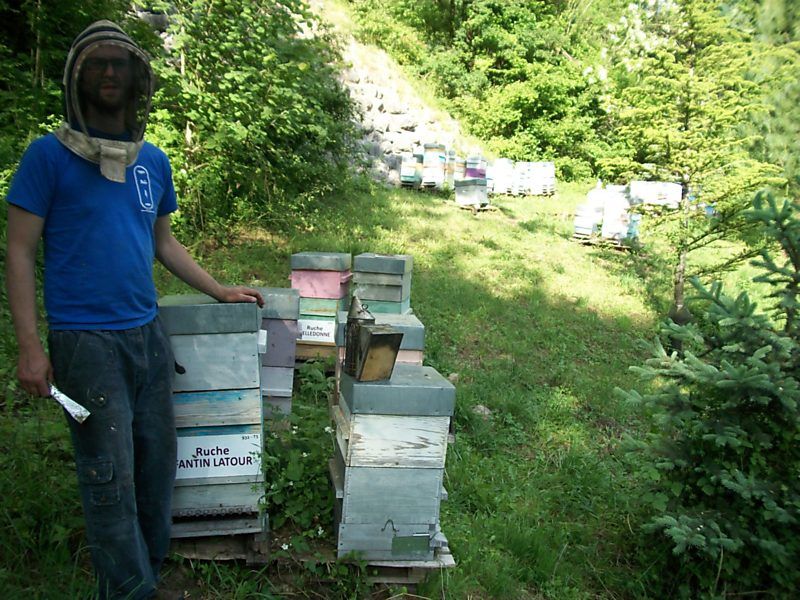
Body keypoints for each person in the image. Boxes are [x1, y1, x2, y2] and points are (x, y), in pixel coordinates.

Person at [4, 20, 263, 599]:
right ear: (77, 77)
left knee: (154, 464)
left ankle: (145, 572)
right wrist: (30, 347)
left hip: (147, 335)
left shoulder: (154, 162)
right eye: (97, 62)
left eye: (120, 63)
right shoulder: (47, 158)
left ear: (138, 78)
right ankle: (127, 590)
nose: (109, 72)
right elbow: (18, 251)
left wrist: (219, 289)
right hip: (85, 342)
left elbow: (163, 243)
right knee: (107, 474)